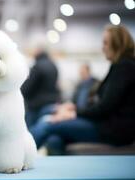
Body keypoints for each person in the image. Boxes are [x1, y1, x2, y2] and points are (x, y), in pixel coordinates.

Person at [30, 25, 135, 155]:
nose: (102, 47)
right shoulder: (119, 66)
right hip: (105, 124)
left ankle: (18, 157)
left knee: (47, 124)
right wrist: (73, 109)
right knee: (55, 139)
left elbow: (105, 107)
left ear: (118, 44)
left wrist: (74, 113)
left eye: (106, 43)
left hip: (114, 130)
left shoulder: (124, 67)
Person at [21, 48, 60, 128]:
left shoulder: (37, 66)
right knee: (45, 127)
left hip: (36, 105)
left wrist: (21, 93)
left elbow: (28, 87)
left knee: (32, 130)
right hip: (51, 103)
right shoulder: (53, 65)